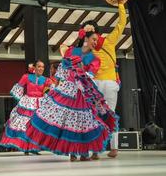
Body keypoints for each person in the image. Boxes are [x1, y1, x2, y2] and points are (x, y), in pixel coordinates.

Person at [25, 26, 118, 161]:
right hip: (68, 90)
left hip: (84, 91)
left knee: (83, 122)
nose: (95, 42)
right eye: (93, 39)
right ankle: (73, 152)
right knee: (68, 121)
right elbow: (62, 71)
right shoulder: (71, 51)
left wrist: (81, 73)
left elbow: (90, 74)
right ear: (85, 39)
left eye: (96, 40)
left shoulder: (94, 58)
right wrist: (62, 84)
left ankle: (84, 152)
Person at [91, 0, 126, 158]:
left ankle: (99, 150)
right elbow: (122, 22)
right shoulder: (106, 41)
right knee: (108, 116)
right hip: (106, 83)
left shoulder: (91, 46)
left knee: (98, 116)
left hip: (101, 84)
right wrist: (120, 3)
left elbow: (122, 21)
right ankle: (111, 149)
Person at [0, 60, 52, 155]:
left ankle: (34, 147)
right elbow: (18, 87)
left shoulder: (46, 80)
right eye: (39, 66)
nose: (41, 68)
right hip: (28, 103)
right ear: (34, 67)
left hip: (40, 103)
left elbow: (53, 90)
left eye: (42, 67)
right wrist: (20, 100)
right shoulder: (26, 77)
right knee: (25, 124)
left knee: (37, 126)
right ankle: (26, 148)